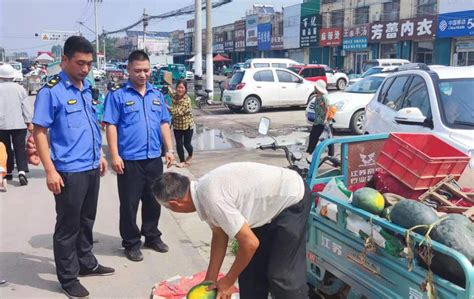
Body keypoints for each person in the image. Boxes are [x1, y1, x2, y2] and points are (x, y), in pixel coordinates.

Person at [152, 162, 312, 298]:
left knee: (282, 277)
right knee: (250, 274)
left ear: (175, 204)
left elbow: (250, 243)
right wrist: (210, 279)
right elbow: (219, 234)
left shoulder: (212, 198)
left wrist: (228, 281)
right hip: (266, 206)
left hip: (291, 198)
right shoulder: (202, 194)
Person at [32, 36, 114, 298]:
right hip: (68, 170)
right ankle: (68, 277)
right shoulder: (51, 91)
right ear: (65, 60)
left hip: (91, 166)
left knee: (87, 220)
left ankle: (87, 262)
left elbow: (90, 125)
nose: (85, 69)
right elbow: (40, 132)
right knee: (68, 225)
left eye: (89, 64)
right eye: (80, 63)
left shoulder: (87, 87)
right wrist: (49, 170)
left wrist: (99, 156)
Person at [103, 50, 175, 262]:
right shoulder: (118, 96)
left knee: (154, 200)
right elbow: (111, 125)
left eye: (146, 70)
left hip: (153, 158)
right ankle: (132, 242)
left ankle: (152, 236)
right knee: (129, 203)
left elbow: (164, 122)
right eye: (138, 70)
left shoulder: (157, 95)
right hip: (130, 160)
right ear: (128, 70)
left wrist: (169, 149)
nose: (143, 74)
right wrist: (114, 155)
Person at [0, 63, 33, 186]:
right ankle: (22, 172)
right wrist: (29, 122)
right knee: (20, 148)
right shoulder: (20, 89)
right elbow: (26, 107)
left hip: (1, 125)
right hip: (18, 124)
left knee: (5, 149)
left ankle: (7, 171)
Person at [169, 79, 194, 168]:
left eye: (182, 88)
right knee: (179, 144)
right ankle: (182, 161)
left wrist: (165, 106)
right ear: (176, 88)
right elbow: (169, 90)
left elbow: (176, 112)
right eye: (179, 87)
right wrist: (166, 83)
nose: (180, 90)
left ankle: (190, 155)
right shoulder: (175, 95)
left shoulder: (187, 100)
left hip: (187, 125)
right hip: (177, 125)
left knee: (187, 144)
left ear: (185, 89)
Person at [306, 80, 334, 157]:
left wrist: (325, 119)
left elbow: (327, 108)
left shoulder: (324, 97)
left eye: (316, 86)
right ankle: (310, 151)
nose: (314, 87)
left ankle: (331, 155)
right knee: (313, 136)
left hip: (324, 121)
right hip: (317, 120)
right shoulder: (316, 97)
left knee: (327, 138)